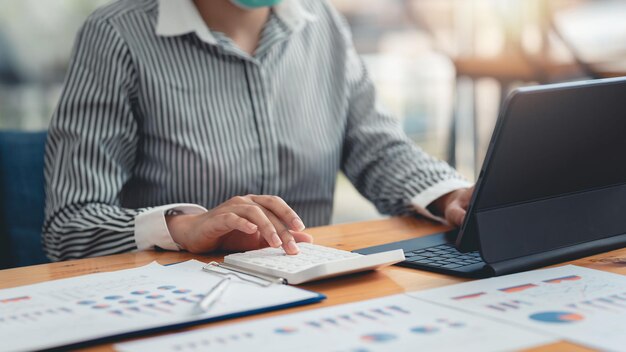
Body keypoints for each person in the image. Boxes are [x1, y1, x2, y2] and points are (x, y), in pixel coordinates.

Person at [43, 0, 474, 261]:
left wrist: (449, 195)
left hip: (310, 293)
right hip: (180, 306)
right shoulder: (115, 35)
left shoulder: (321, 22)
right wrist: (184, 228)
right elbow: (70, 226)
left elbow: (378, 150)